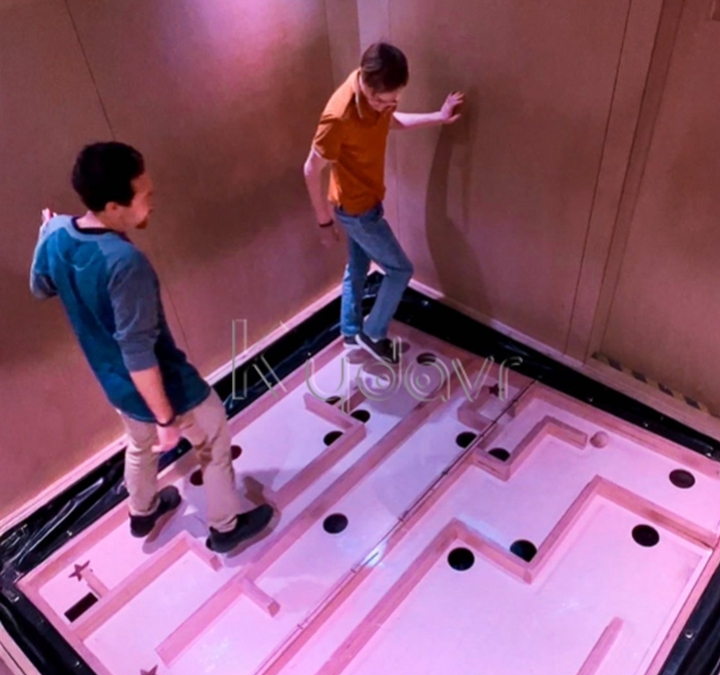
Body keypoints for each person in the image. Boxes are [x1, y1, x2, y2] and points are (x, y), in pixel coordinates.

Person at [29, 142, 273, 554]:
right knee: (213, 440)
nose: (153, 202)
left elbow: (41, 287)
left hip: (117, 388)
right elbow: (138, 352)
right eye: (145, 196)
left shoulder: (57, 234)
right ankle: (226, 526)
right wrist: (166, 418)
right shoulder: (125, 263)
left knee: (139, 444)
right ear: (114, 207)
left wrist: (44, 236)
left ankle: (142, 511)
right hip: (165, 386)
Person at [304, 42, 463, 363]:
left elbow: (391, 120)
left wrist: (439, 117)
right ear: (365, 83)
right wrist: (323, 223)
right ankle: (372, 333)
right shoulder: (338, 116)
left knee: (357, 267)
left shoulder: (379, 99)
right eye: (380, 101)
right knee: (400, 269)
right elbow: (310, 169)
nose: (386, 106)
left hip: (367, 201)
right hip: (356, 211)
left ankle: (351, 333)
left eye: (392, 100)